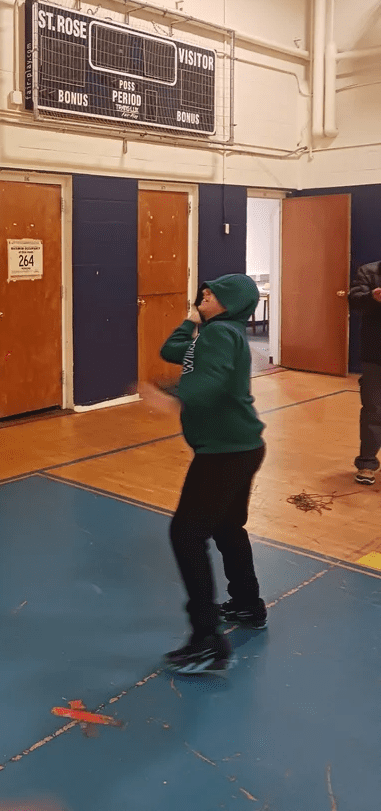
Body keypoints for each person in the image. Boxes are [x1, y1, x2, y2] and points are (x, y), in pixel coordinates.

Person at [140, 274, 266, 674]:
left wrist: (172, 397)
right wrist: (191, 320)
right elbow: (171, 350)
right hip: (241, 446)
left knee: (187, 534)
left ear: (231, 303)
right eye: (204, 291)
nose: (203, 295)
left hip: (225, 452)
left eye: (212, 294)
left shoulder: (220, 335)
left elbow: (210, 384)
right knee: (227, 527)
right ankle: (247, 605)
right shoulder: (213, 334)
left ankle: (207, 640)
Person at [347, 261, 381, 485]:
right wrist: (372, 297)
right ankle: (367, 464)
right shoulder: (368, 272)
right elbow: (354, 300)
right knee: (373, 410)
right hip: (375, 354)